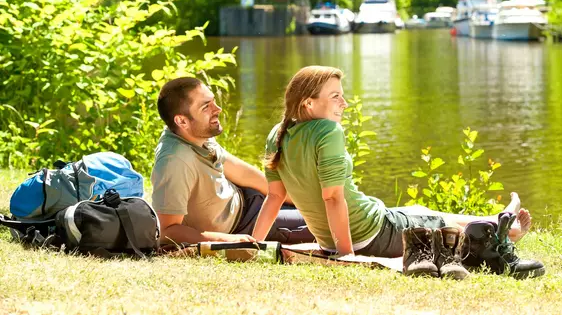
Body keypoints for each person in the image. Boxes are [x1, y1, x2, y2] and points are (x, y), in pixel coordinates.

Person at [252, 66, 531, 257]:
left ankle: (496, 220)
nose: (344, 103)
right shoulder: (328, 131)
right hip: (371, 232)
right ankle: (503, 232)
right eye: (335, 96)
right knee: (434, 220)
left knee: (418, 209)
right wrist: (346, 255)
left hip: (339, 233)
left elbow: (274, 197)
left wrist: (255, 243)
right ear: (308, 104)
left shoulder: (278, 134)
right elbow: (333, 198)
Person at [151, 77, 314, 246]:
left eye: (213, 101)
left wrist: (294, 197)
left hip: (248, 199)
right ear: (181, 121)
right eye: (206, 106)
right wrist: (227, 240)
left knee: (324, 205)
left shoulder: (195, 133)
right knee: (331, 224)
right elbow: (168, 231)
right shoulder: (175, 161)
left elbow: (244, 174)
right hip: (245, 224)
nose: (218, 109)